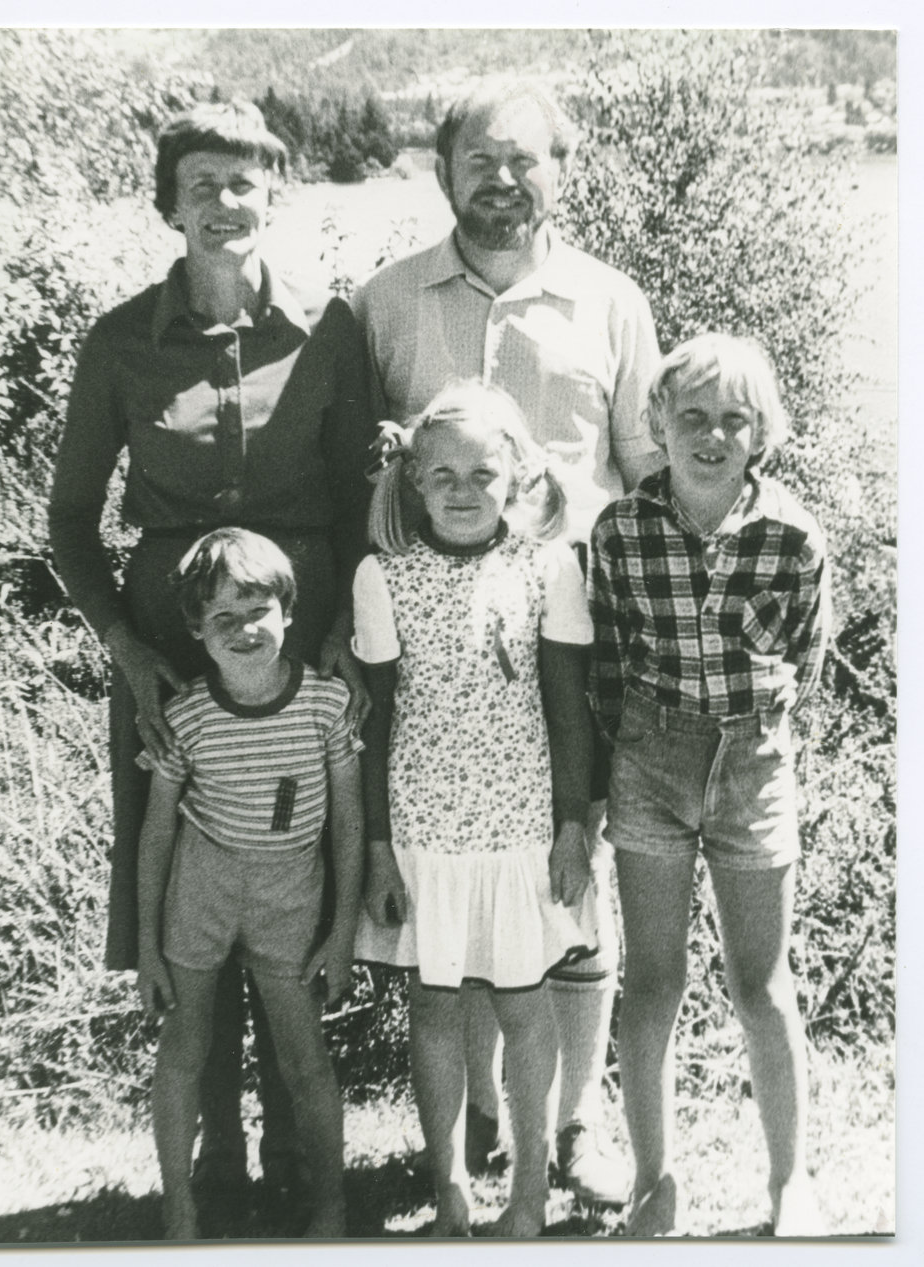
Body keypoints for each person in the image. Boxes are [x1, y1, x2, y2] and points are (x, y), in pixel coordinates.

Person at [48, 101, 373, 1209]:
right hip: (171, 652)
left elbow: (362, 496)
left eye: (245, 181)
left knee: (296, 863)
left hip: (303, 645)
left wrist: (340, 638)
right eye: (203, 184)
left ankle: (298, 1161)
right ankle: (214, 1163)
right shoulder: (120, 344)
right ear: (167, 203)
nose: (225, 203)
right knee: (186, 872)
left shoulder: (331, 330)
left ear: (274, 195)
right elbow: (70, 524)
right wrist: (129, 650)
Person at [351, 80, 660, 1206]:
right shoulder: (384, 304)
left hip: (585, 636)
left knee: (576, 890)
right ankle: (485, 1122)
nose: (501, 179)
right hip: (439, 658)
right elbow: (365, 477)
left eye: (524, 159)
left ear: (561, 171)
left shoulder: (610, 302)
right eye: (479, 159)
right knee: (467, 898)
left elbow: (648, 469)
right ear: (444, 174)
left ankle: (571, 1127)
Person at [588, 334, 831, 1237]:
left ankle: (789, 1181)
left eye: (734, 419)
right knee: (651, 979)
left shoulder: (793, 535)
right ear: (657, 423)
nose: (711, 434)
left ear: (761, 431)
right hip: (650, 757)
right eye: (692, 416)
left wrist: (750, 742)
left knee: (760, 981)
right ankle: (655, 1181)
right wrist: (626, 760)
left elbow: (805, 660)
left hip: (751, 762)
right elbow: (609, 663)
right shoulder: (620, 529)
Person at [353, 380, 597, 1237]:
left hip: (524, 835)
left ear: (516, 479)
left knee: (525, 1006)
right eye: (443, 473)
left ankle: (527, 1196)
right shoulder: (381, 577)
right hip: (425, 839)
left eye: (482, 473)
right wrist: (378, 851)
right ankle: (450, 1190)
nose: (462, 489)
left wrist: (576, 829)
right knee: (433, 1008)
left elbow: (571, 714)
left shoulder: (549, 567)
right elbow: (375, 725)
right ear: (413, 479)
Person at [136, 529, 363, 1239]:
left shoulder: (326, 704)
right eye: (221, 618)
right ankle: (180, 1207)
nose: (241, 631)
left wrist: (343, 932)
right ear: (196, 631)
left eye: (255, 609)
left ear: (288, 610)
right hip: (202, 882)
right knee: (185, 1047)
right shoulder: (187, 716)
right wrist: (147, 944)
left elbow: (348, 826)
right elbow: (157, 834)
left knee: (305, 1057)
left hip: (289, 890)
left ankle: (328, 1208)